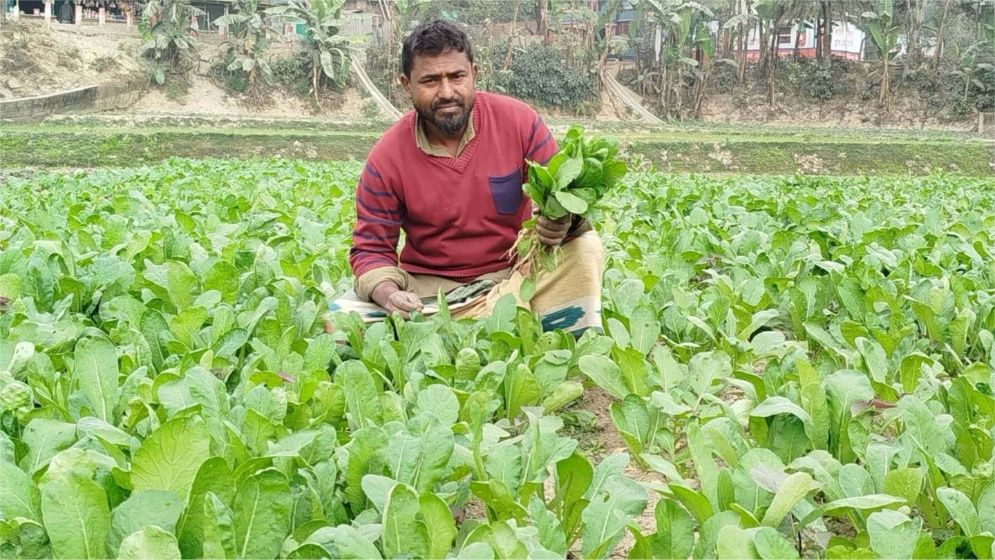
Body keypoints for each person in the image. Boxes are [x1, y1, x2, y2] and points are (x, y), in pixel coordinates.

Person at [339, 20, 604, 335]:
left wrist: (560, 221)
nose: (447, 92)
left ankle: (490, 322)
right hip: (433, 290)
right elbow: (370, 247)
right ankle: (510, 323)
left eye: (457, 76)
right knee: (342, 324)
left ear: (474, 74)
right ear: (406, 85)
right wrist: (389, 294)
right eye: (430, 80)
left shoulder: (520, 122)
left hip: (518, 275)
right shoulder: (387, 156)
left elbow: (567, 199)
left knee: (585, 249)